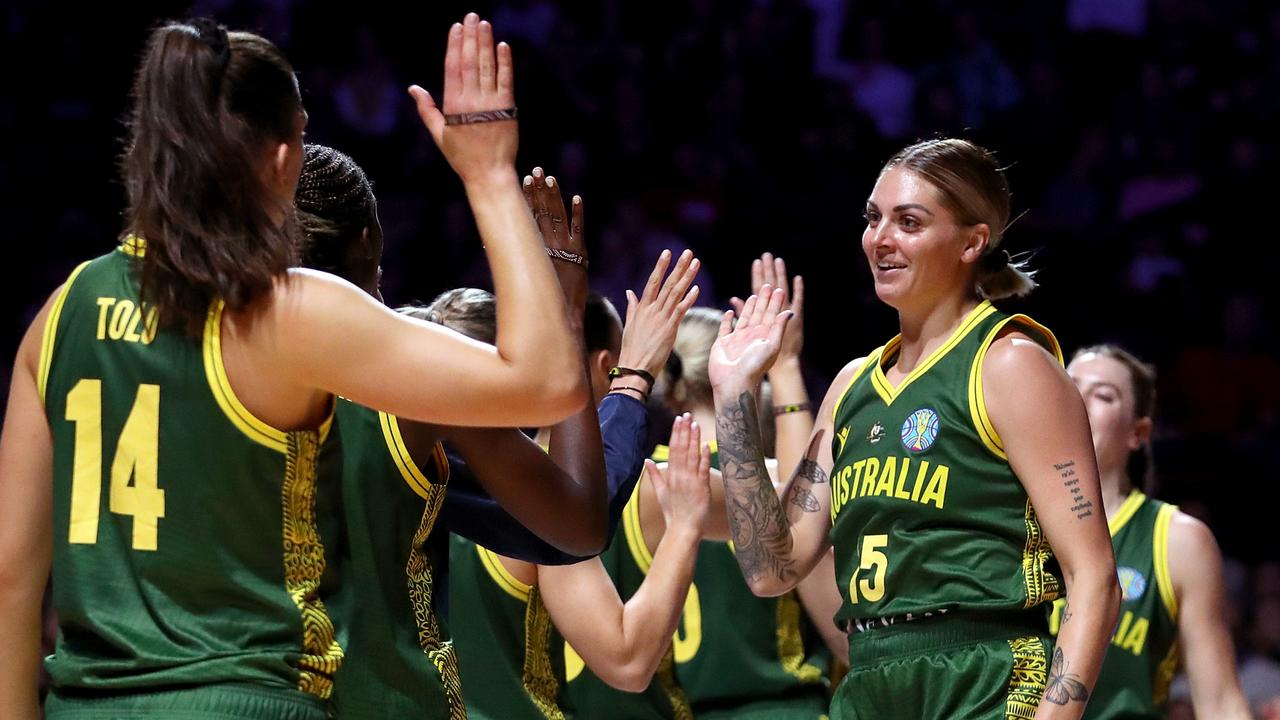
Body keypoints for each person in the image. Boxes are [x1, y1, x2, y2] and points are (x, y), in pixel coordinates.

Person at [0, 14, 590, 720]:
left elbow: (13, 576)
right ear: (282, 160)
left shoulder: (60, 312)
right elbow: (549, 383)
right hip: (246, 700)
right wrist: (489, 172)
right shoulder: (287, 311)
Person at [706, 137, 1121, 719]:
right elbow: (771, 569)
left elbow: (1095, 576)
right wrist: (733, 396)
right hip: (870, 675)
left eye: (909, 222)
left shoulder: (1009, 364)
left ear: (972, 242)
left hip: (984, 672)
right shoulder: (852, 386)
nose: (880, 239)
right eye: (874, 218)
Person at [293, 145, 693, 718]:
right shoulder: (406, 385)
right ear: (364, 245)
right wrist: (591, 344)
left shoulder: (203, 358)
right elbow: (580, 533)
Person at [567, 255, 839, 720]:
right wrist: (787, 368)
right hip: (781, 707)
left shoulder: (636, 478)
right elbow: (804, 496)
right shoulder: (731, 483)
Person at [1059, 344, 1250, 718]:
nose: (1078, 400)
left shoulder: (1177, 541)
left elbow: (1221, 702)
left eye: (1103, 395)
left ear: (1138, 432)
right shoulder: (1005, 518)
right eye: (1068, 386)